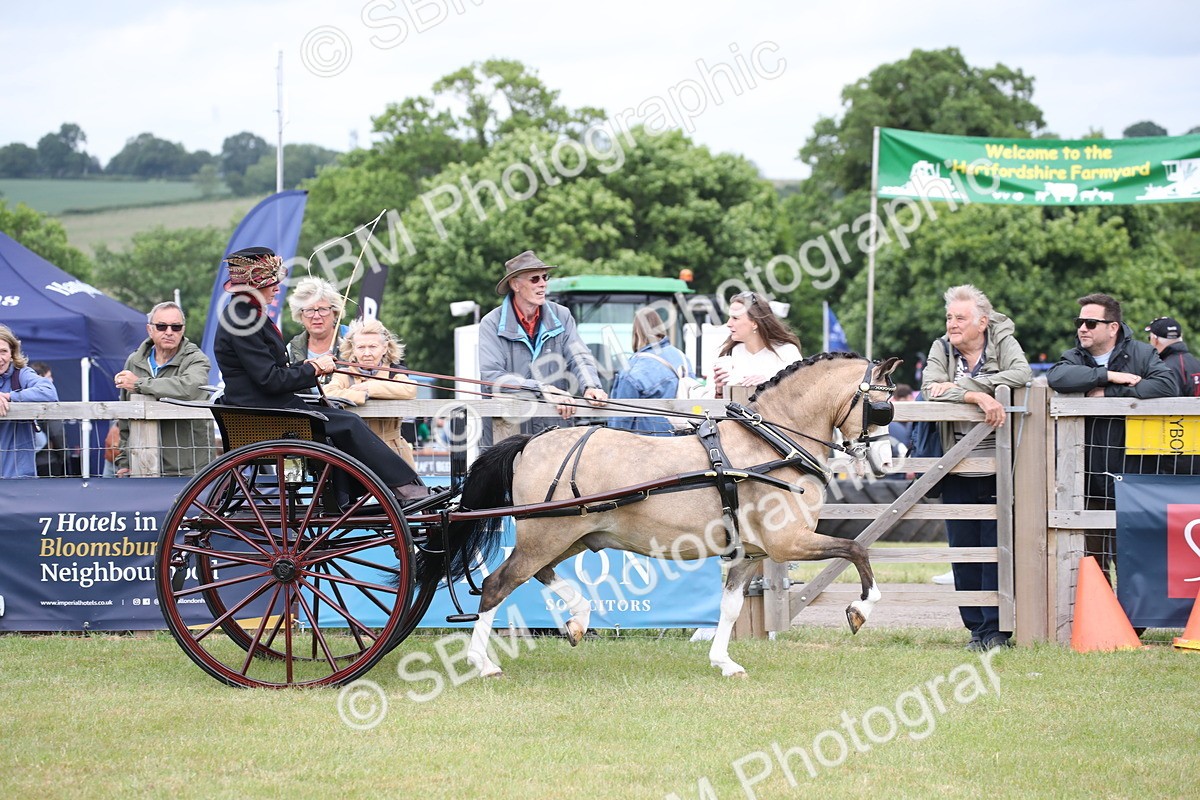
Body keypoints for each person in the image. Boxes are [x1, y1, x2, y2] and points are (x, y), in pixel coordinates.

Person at [212, 246, 429, 501]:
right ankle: (400, 487)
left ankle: (362, 492)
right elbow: (270, 380)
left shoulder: (247, 315)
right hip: (266, 412)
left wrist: (309, 366)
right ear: (255, 285)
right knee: (348, 423)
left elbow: (273, 371)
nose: (277, 289)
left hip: (270, 406)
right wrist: (314, 367)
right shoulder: (244, 320)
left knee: (341, 419)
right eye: (272, 283)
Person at [922, 285, 1032, 651]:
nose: (952, 325)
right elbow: (928, 388)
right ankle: (975, 632)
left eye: (960, 318)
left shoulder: (1003, 341)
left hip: (1000, 465)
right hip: (955, 464)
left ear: (982, 322)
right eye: (949, 317)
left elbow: (1021, 374)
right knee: (963, 551)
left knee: (995, 549)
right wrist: (977, 395)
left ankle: (997, 631)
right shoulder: (941, 348)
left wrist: (960, 385)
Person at [1047, 293, 1177, 579]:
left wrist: (1112, 394)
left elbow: (1168, 385)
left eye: (1091, 323)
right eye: (1079, 322)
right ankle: (1099, 622)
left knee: (1133, 559)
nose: (1082, 328)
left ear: (1113, 327)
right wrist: (1108, 376)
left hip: (1133, 477)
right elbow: (1057, 378)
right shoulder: (1074, 356)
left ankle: (1134, 623)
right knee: (1093, 561)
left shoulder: (1142, 354)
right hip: (1088, 477)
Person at [478, 250, 607, 446]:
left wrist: (591, 386)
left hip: (554, 435)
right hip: (507, 439)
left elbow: (579, 356)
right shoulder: (490, 323)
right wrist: (540, 389)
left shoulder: (562, 315)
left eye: (545, 277)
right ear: (515, 285)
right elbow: (492, 377)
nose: (543, 283)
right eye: (535, 278)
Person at [113, 302, 214, 477]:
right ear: (149, 329)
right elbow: (125, 419)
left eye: (176, 327)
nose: (169, 332)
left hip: (190, 470)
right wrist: (124, 461)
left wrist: (139, 384)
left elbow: (188, 388)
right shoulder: (134, 361)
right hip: (142, 464)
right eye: (161, 326)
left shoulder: (197, 359)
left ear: (183, 330)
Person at [325, 317, 418, 468]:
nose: (367, 353)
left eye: (373, 347)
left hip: (392, 449)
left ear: (385, 348)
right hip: (354, 450)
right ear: (353, 349)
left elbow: (409, 388)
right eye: (361, 347)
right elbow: (329, 392)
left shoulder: (395, 373)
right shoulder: (344, 374)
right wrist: (362, 396)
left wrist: (369, 387)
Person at [608, 307, 693, 433]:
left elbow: (620, 421)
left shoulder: (633, 369)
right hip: (685, 440)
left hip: (647, 444)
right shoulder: (681, 357)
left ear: (636, 332)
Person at [712, 291, 802, 398]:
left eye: (735, 318)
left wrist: (771, 383)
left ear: (754, 323)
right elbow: (709, 406)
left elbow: (801, 394)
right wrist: (719, 391)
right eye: (729, 317)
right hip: (733, 415)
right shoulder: (726, 353)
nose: (728, 324)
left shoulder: (787, 352)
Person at [0, 324, 59, 478]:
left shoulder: (21, 375)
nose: (0, 358)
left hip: (18, 475)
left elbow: (49, 392)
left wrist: (10, 396)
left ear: (12, 353)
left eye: (4, 351)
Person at [286, 277, 347, 388]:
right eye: (309, 310)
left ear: (335, 312)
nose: (316, 316)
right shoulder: (291, 348)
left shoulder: (352, 341)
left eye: (323, 309)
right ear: (300, 315)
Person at [29, 361, 70, 477]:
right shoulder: (47, 400)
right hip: (47, 461)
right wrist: (65, 457)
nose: (51, 380)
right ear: (39, 379)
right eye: (48, 377)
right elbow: (56, 433)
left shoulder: (22, 395)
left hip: (23, 462)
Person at [1145, 316, 1200, 397]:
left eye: (1149, 338)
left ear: (1155, 340)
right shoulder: (1196, 362)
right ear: (1181, 336)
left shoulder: (1164, 368)